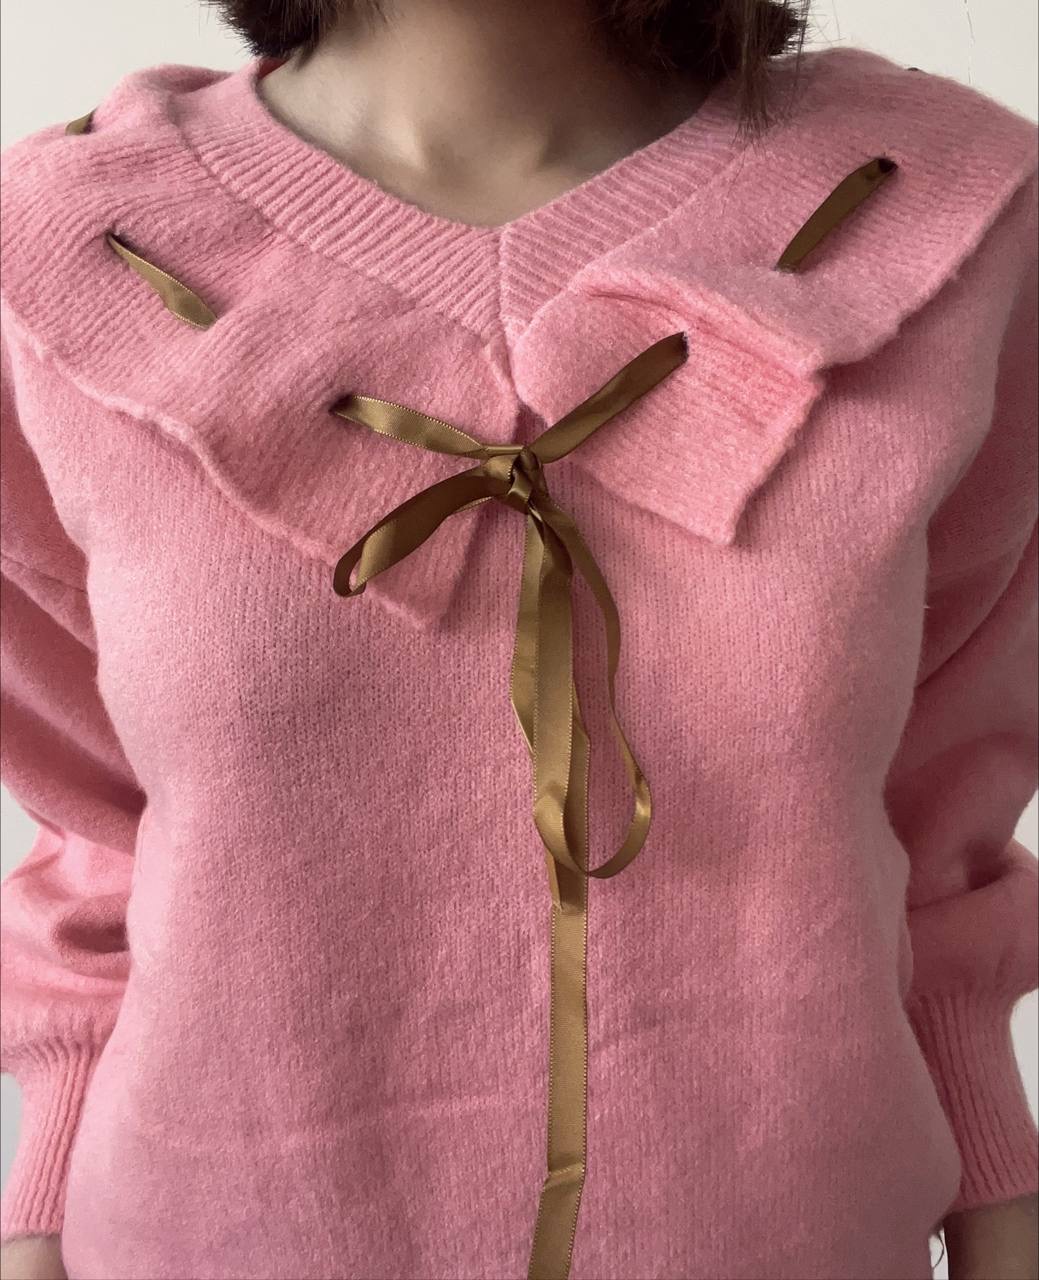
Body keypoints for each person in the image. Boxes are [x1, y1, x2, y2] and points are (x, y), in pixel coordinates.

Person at [1, 1, 1037, 1277]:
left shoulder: (942, 213)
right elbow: (96, 825)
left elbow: (948, 819)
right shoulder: (65, 251)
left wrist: (1001, 1193)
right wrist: (35, 1210)